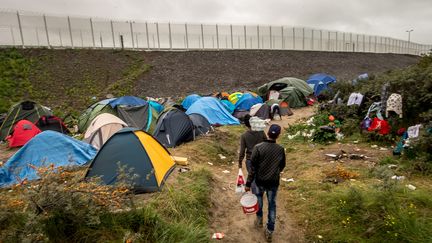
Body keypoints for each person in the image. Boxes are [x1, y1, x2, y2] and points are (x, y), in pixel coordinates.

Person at [245, 124, 286, 242]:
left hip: (259, 181)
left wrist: (248, 184)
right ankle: (270, 230)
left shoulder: (258, 148)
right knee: (272, 205)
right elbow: (282, 166)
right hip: (273, 182)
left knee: (259, 201)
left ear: (267, 133)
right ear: (278, 135)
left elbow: (252, 168)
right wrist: (274, 172)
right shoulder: (280, 149)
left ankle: (259, 220)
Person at [238, 114, 267, 194]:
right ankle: (261, 191)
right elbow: (266, 142)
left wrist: (240, 162)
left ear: (246, 124)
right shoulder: (261, 131)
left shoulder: (244, 136)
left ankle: (256, 195)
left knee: (252, 178)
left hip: (250, 160)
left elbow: (242, 151)